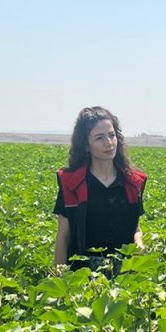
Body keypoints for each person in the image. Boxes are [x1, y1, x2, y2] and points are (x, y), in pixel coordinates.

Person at [54, 106, 147, 276]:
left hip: (124, 273)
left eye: (112, 135)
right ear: (86, 145)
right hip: (82, 275)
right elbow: (63, 236)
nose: (109, 143)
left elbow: (136, 228)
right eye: (99, 138)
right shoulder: (72, 183)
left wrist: (138, 242)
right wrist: (60, 278)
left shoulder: (132, 183)